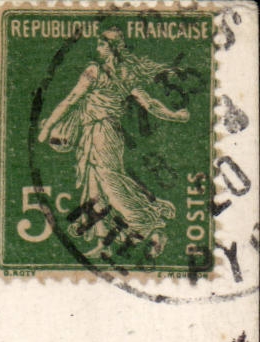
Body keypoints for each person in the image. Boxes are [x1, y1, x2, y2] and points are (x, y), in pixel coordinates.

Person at [38, 27, 189, 259]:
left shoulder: (94, 71)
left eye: (101, 44)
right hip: (100, 134)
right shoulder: (127, 74)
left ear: (110, 49)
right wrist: (175, 115)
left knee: (111, 185)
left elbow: (71, 99)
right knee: (94, 188)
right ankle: (104, 243)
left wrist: (47, 127)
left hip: (102, 132)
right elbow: (150, 104)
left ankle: (149, 223)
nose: (97, 48)